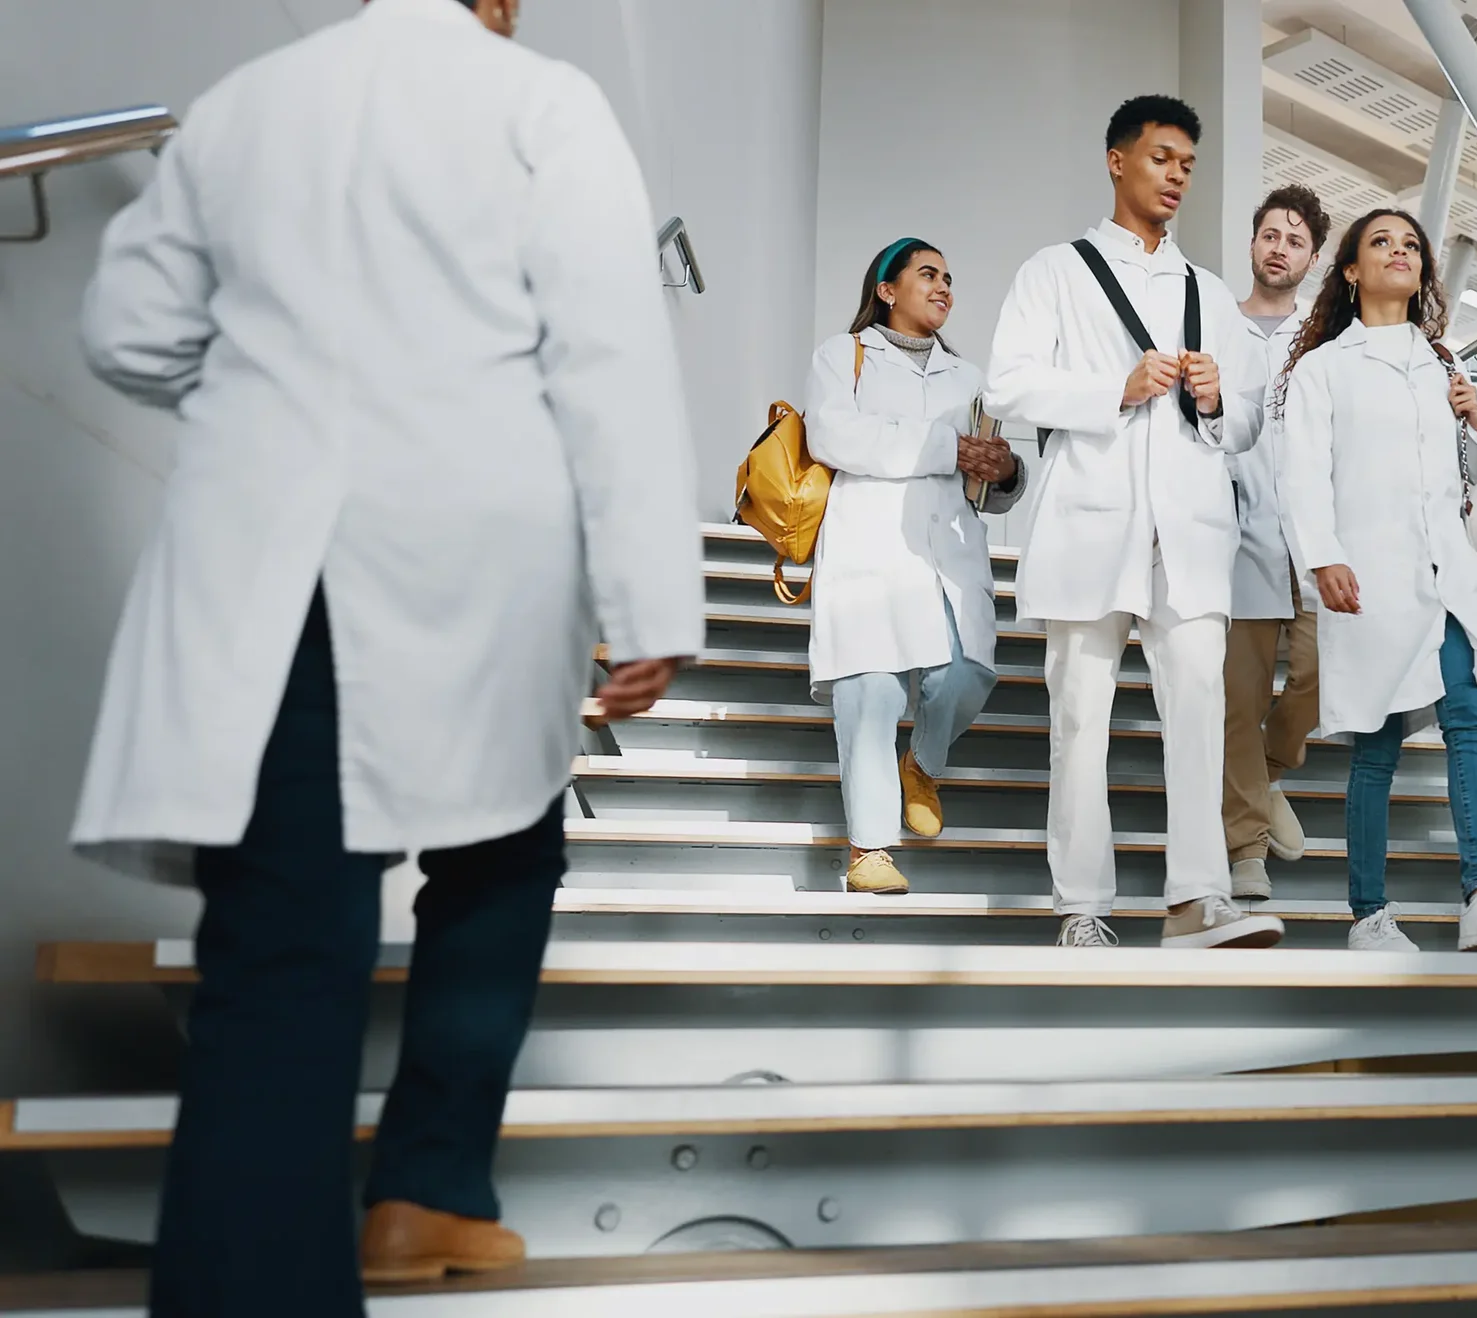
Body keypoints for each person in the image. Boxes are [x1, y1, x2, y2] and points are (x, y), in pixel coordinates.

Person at [72, 0, 702, 1309]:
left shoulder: (248, 103)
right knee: (502, 849)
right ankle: (430, 1181)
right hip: (475, 559)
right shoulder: (542, 104)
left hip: (269, 568)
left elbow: (124, 328)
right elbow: (608, 353)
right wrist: (651, 603)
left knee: (282, 954)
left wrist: (280, 399)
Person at [986, 94, 1284, 951]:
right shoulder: (1055, 271)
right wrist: (1112, 388)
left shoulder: (1210, 292)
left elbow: (1250, 421)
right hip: (1092, 527)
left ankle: (1196, 899)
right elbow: (1007, 383)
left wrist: (1218, 395)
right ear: (1117, 160)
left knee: (1197, 714)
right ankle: (1081, 905)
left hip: (1188, 533)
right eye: (1161, 158)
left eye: (1188, 163)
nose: (1177, 176)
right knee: (1081, 719)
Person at [1274, 208, 1477, 953]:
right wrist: (1322, 556)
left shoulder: (1442, 366)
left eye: (1411, 244)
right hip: (1369, 578)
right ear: (1350, 271)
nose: (1399, 252)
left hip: (1449, 575)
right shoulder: (1323, 368)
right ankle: (1368, 915)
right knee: (1377, 743)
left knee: (1468, 716)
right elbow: (1300, 473)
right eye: (1382, 243)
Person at [803, 239, 1023, 897]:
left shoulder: (971, 378)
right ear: (887, 289)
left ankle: (922, 764)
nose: (944, 286)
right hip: (869, 546)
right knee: (869, 693)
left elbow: (997, 471)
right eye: (928, 274)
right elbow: (834, 437)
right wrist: (946, 448)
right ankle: (869, 850)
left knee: (967, 673)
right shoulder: (843, 356)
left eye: (950, 277)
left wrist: (1004, 469)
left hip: (946, 551)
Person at [1221, 185, 1330, 902]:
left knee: (1323, 678)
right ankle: (1245, 852)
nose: (1279, 247)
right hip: (1235, 541)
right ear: (1253, 243)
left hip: (1316, 539)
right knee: (1239, 697)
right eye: (1270, 234)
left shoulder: (1324, 344)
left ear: (1313, 258)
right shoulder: (1212, 329)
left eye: (1294, 239)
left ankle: (1266, 773)